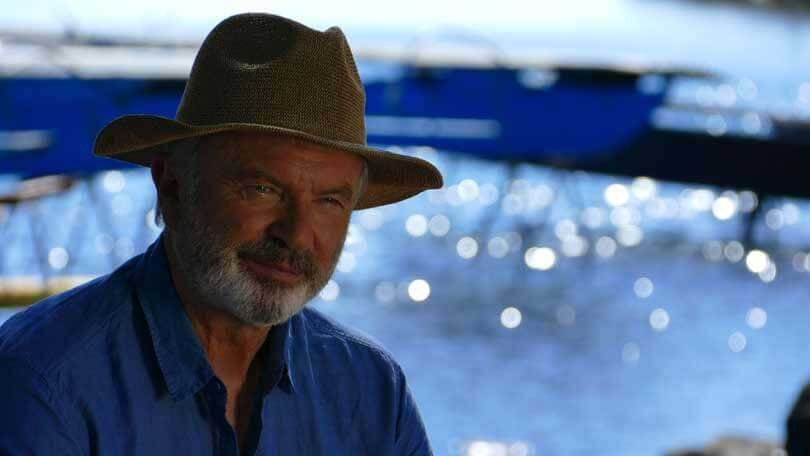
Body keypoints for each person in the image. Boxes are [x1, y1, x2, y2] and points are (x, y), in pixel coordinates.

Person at [0, 13, 443, 455]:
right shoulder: (43, 383)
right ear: (172, 186)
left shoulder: (372, 391)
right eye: (262, 189)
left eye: (329, 201)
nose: (296, 235)